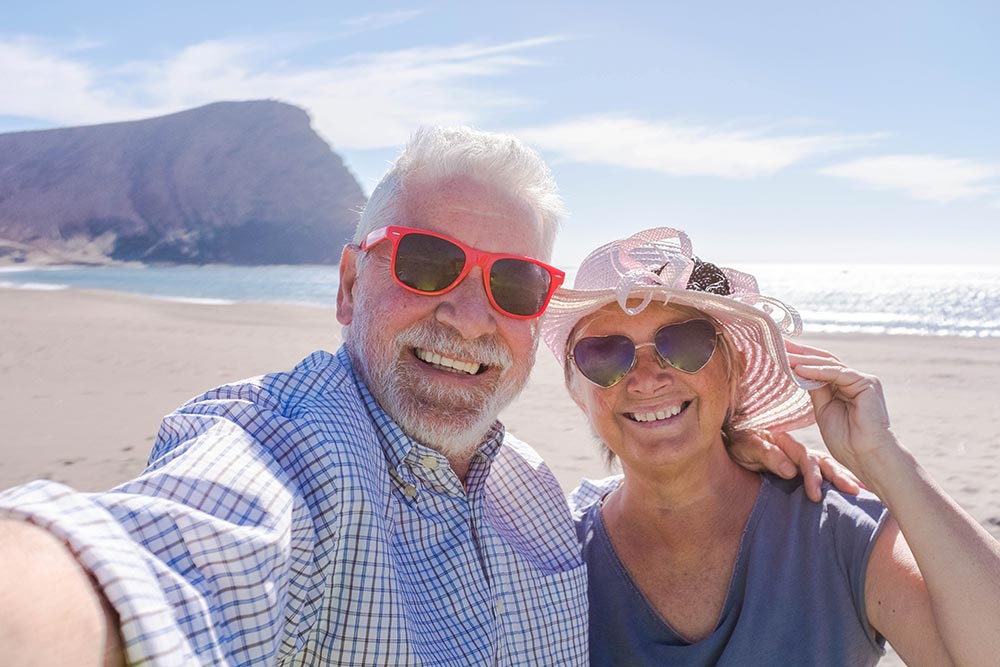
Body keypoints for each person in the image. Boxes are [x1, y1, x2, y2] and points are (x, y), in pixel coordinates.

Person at [0, 129, 851, 667]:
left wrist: (723, 447)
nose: (470, 317)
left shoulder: (536, 496)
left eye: (515, 282)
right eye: (427, 263)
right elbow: (154, 559)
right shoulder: (288, 454)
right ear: (349, 283)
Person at [541, 226, 1000, 666]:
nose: (647, 379)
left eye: (683, 343)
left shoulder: (836, 531)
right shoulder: (553, 555)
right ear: (578, 391)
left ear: (735, 369)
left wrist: (885, 460)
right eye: (604, 354)